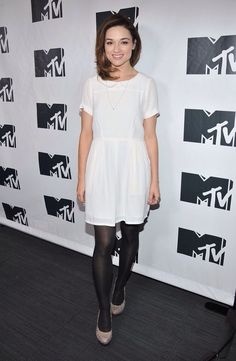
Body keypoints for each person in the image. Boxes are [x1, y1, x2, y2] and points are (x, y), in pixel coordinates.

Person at [77, 13, 160, 345]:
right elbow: (85, 134)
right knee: (103, 242)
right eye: (110, 42)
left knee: (130, 236)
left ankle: (121, 285)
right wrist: (81, 177)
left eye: (123, 41)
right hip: (101, 166)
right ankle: (104, 310)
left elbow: (150, 137)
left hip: (134, 166)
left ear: (134, 45)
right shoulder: (91, 84)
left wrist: (154, 180)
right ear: (102, 46)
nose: (116, 48)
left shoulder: (146, 84)